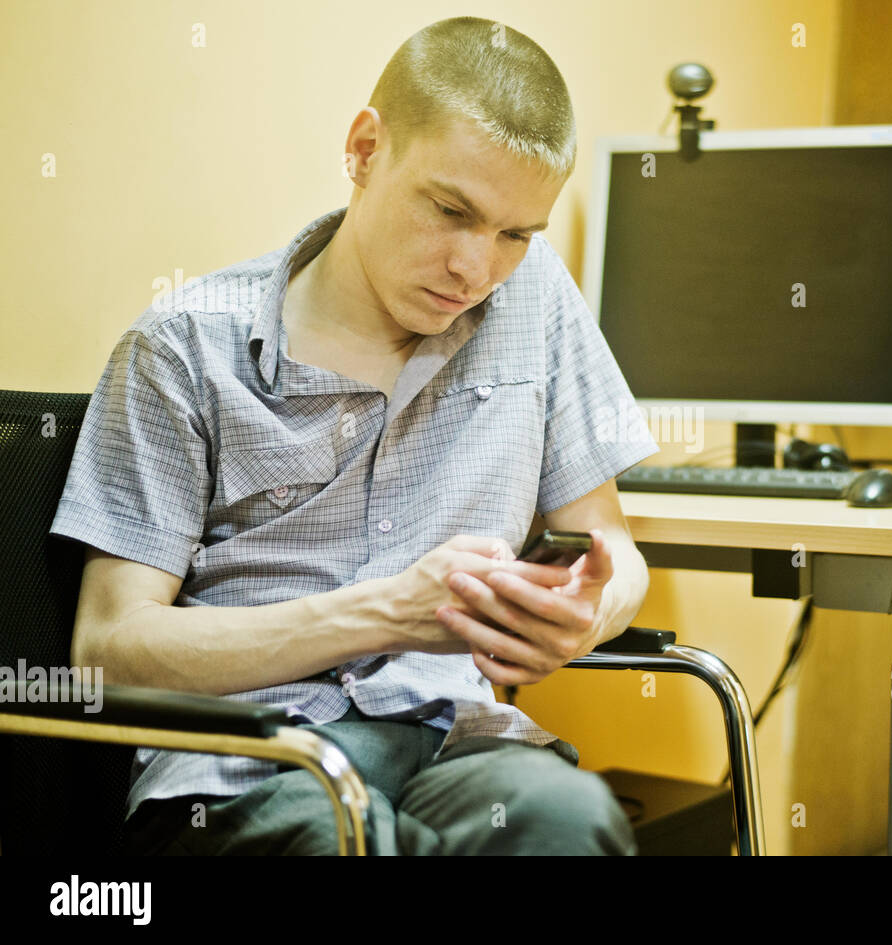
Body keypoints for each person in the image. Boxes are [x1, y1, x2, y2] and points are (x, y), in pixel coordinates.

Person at [49, 16, 660, 855]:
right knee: (344, 841)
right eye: (451, 210)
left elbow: (615, 549)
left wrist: (586, 613)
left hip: (453, 742)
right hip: (252, 760)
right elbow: (109, 650)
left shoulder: (535, 302)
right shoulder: (186, 344)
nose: (475, 269)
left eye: (516, 234)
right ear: (366, 150)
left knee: (567, 821)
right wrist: (386, 612)